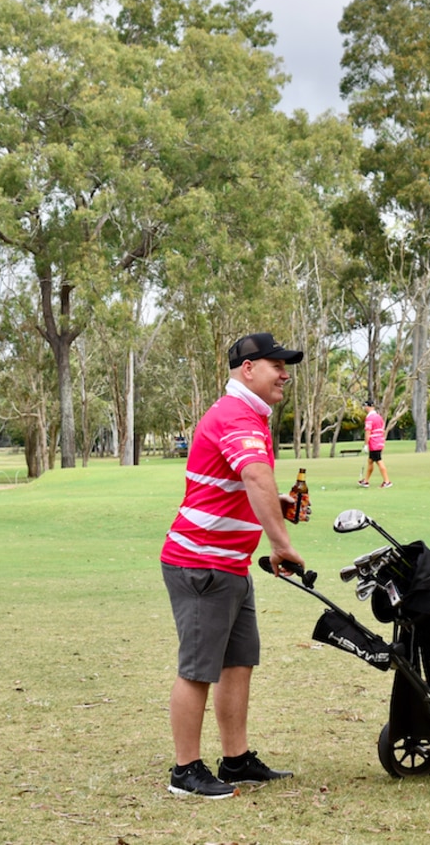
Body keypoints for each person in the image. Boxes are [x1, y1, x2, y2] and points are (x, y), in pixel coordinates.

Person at [160, 333, 309, 798]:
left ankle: (237, 760)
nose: (285, 373)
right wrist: (282, 545)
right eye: (276, 364)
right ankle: (185, 772)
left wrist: (277, 503)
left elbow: (244, 484)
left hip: (230, 566)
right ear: (248, 369)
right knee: (199, 668)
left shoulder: (249, 416)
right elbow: (254, 474)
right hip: (202, 565)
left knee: (237, 663)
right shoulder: (236, 415)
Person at [359, 400, 392, 488]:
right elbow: (382, 430)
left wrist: (366, 444)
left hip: (374, 443)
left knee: (379, 461)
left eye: (365, 406)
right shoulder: (378, 417)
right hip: (379, 441)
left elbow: (368, 432)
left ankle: (387, 481)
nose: (364, 408)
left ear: (368, 406)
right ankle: (366, 481)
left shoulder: (369, 418)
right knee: (370, 461)